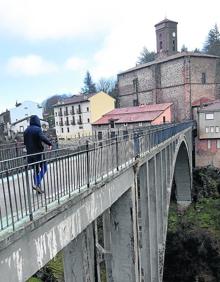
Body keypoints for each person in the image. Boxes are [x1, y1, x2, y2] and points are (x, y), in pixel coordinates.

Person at [24, 115, 52, 193]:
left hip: (30, 154)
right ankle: (36, 183)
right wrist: (50, 144)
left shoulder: (26, 130)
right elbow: (43, 138)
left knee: (35, 170)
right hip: (39, 154)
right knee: (45, 167)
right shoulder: (38, 129)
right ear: (37, 121)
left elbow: (25, 143)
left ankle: (38, 188)